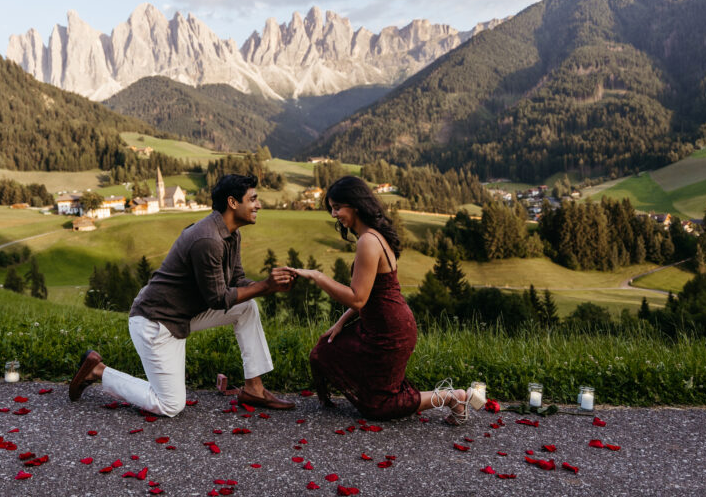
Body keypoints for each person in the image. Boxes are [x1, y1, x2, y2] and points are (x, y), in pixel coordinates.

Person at [69, 174, 297, 416]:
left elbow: (237, 281)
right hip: (155, 322)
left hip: (182, 315)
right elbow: (218, 300)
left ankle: (254, 388)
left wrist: (273, 284)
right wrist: (266, 286)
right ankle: (98, 372)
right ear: (232, 203)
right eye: (253, 199)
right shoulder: (208, 240)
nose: (258, 205)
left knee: (246, 307)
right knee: (170, 405)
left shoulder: (231, 234)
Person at [289, 176, 482, 424]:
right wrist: (341, 322)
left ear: (355, 205)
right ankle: (329, 405)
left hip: (391, 331)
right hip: (376, 325)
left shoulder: (368, 241)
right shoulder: (373, 236)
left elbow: (358, 299)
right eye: (332, 208)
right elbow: (371, 294)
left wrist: (316, 276)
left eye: (338, 207)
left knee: (380, 406)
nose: (334, 214)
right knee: (323, 351)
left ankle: (452, 397)